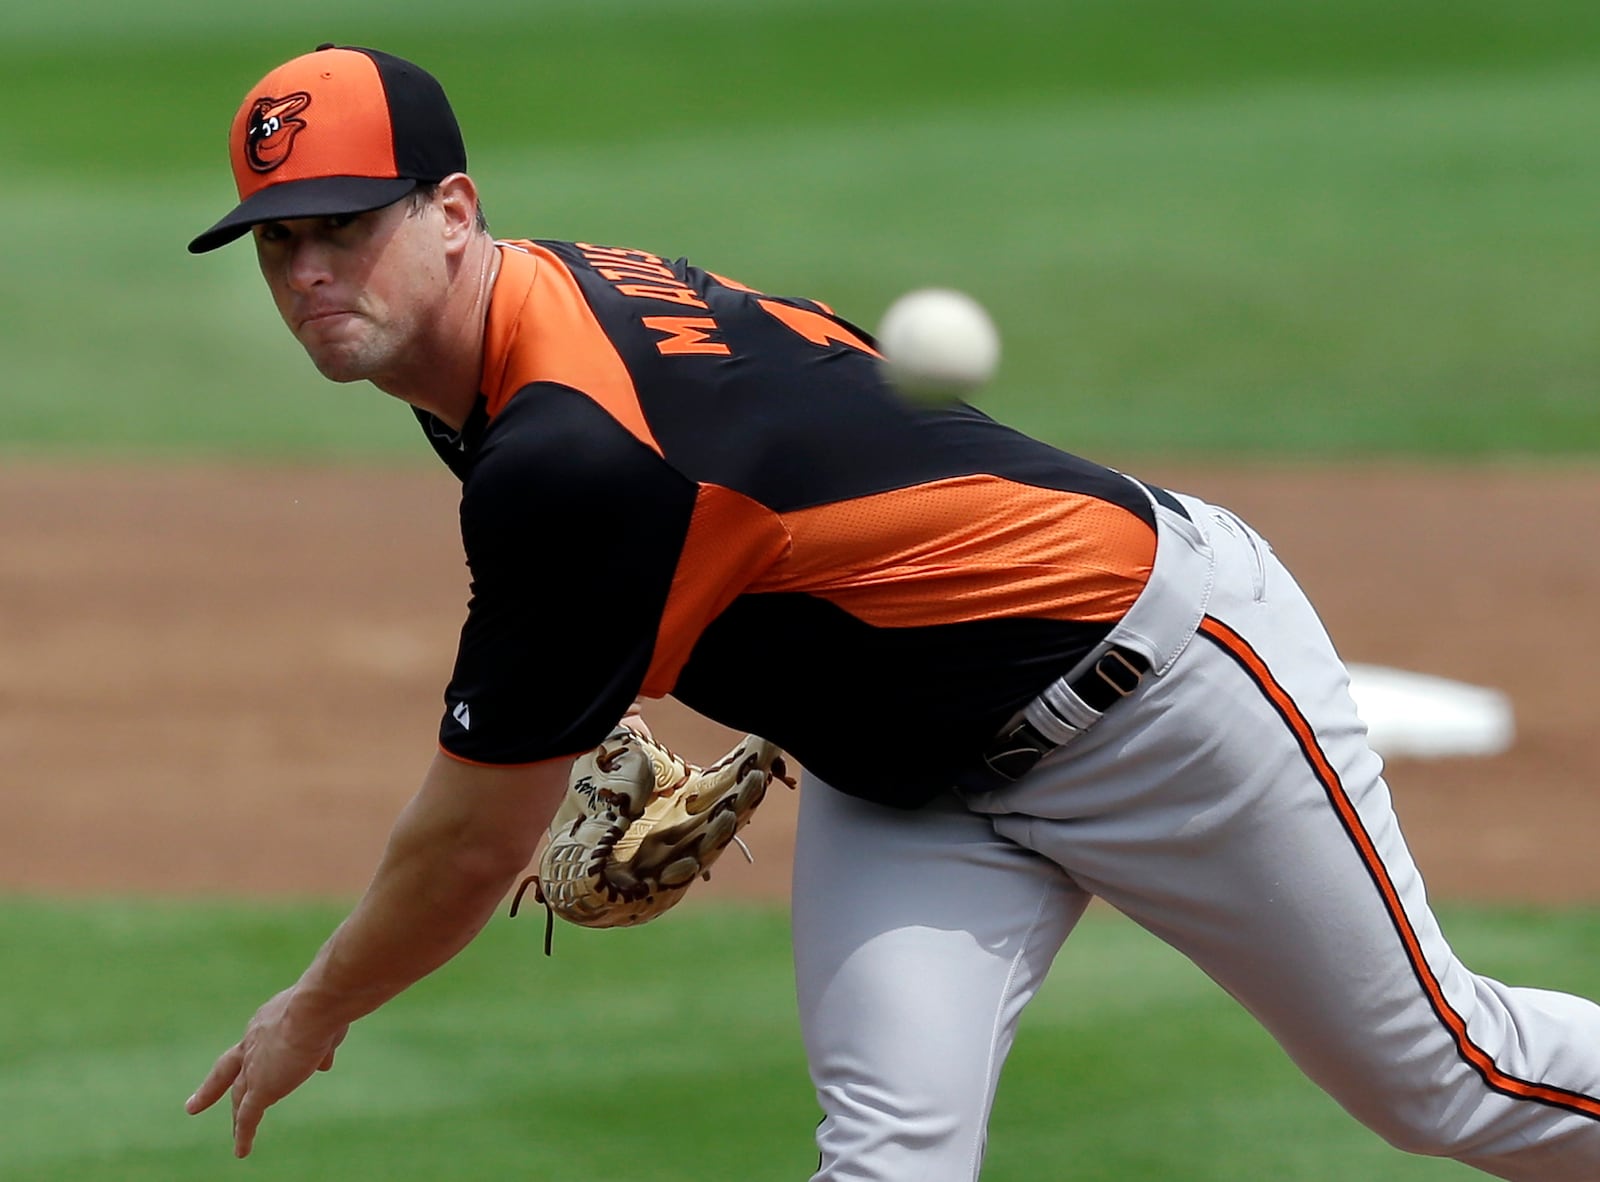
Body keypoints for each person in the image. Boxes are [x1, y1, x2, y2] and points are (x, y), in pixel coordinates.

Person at [185, 44, 1600, 1180]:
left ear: (451, 210)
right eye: (278, 242)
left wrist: (314, 1008)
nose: (309, 272)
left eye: (346, 228)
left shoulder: (560, 447)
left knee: (1448, 1079)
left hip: (1157, 692)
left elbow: (470, 842)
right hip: (911, 777)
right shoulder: (539, 303)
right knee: (888, 1156)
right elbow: (796, 431)